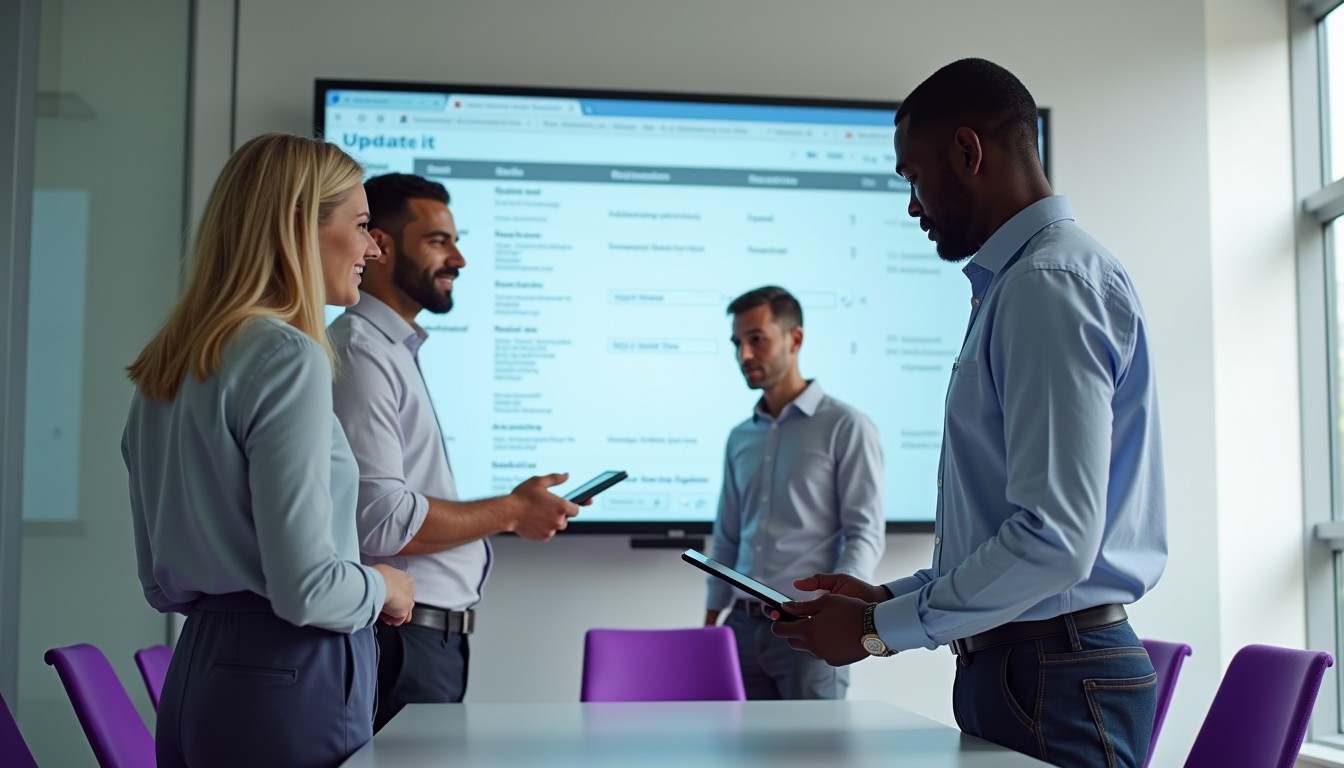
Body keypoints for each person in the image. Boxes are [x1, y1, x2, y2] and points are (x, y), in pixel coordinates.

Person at [771, 58, 1167, 768]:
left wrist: (874, 629)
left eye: (913, 178)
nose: (913, 206)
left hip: (1054, 674)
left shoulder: (1047, 285)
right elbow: (1021, 530)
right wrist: (889, 596)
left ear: (967, 152)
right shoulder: (1023, 283)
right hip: (1031, 670)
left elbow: (1054, 541)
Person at [122, 133, 416, 768]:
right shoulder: (287, 355)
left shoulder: (168, 363)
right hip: (288, 682)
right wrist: (385, 586)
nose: (372, 248)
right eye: (363, 225)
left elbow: (158, 583)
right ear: (297, 223)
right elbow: (309, 589)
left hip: (197, 677)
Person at [328, 172, 581, 731]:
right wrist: (512, 510)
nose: (459, 259)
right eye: (439, 241)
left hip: (426, 640)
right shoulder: (362, 354)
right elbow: (383, 522)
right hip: (401, 640)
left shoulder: (393, 351)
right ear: (383, 247)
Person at [704, 285, 886, 700]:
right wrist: (711, 624)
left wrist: (832, 615)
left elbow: (864, 534)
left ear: (795, 339)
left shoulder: (846, 426)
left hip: (807, 630)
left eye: (757, 339)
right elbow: (728, 538)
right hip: (741, 629)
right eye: (737, 343)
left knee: (813, 757)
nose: (744, 355)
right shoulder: (739, 439)